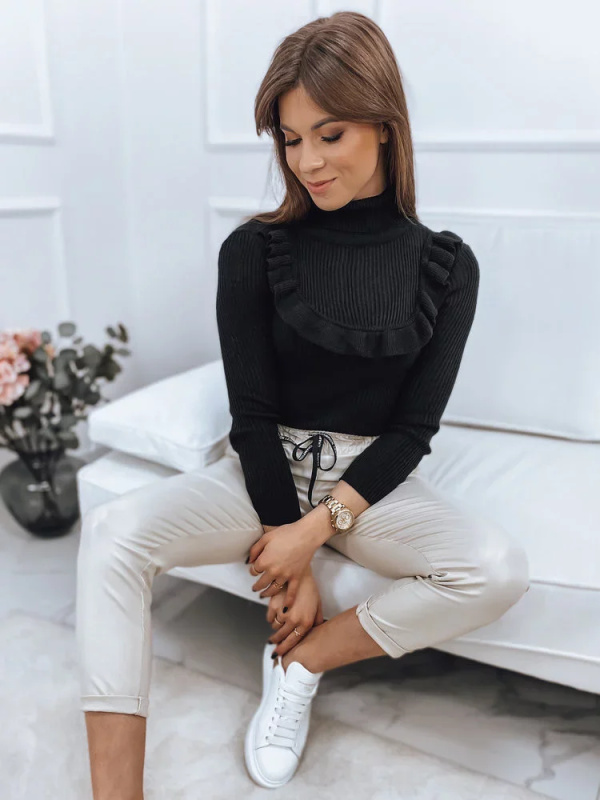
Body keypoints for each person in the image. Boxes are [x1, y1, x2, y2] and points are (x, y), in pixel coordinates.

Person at [76, 10, 530, 797]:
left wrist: (312, 538)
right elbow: (251, 417)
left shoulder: (448, 266)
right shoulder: (254, 250)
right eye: (290, 139)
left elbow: (412, 431)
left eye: (331, 134)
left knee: (496, 569)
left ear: (384, 125)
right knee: (114, 533)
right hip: (262, 469)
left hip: (370, 484)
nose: (307, 161)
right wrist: (291, 559)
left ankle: (302, 663)